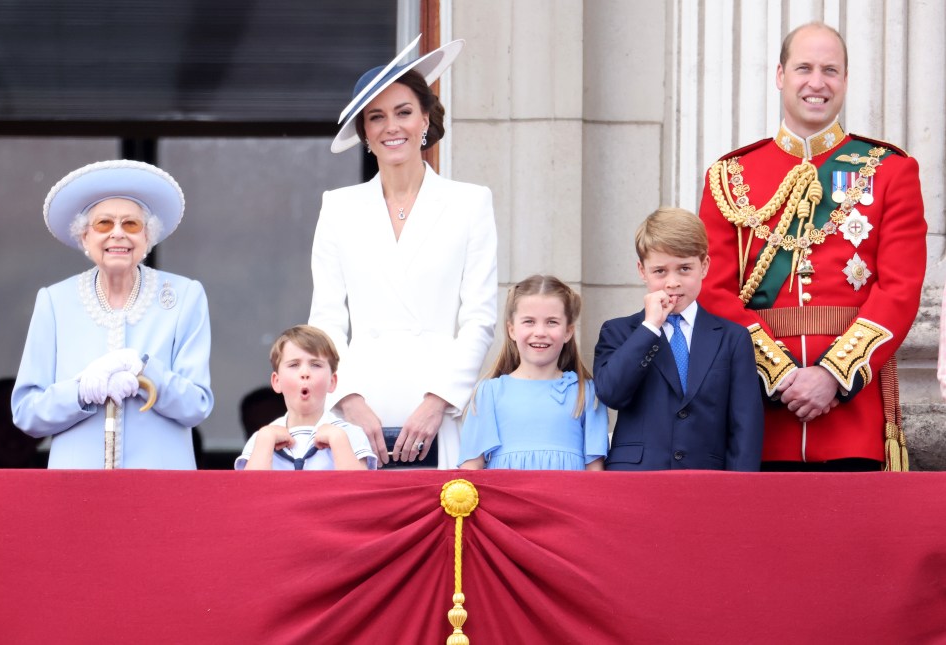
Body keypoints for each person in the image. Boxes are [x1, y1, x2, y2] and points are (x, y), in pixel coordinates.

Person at [697, 22, 926, 471]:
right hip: (759, 417)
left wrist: (832, 376)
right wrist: (779, 375)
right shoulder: (729, 176)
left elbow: (899, 290)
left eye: (830, 70)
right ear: (780, 75)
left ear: (845, 80)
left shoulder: (890, 171)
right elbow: (712, 290)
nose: (816, 82)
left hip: (852, 418)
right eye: (804, 68)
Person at [310, 35, 497, 469]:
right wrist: (349, 400)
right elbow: (326, 320)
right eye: (376, 117)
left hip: (439, 409)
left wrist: (438, 402)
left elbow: (479, 317)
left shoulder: (470, 202)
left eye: (404, 112)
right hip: (359, 412)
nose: (392, 127)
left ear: (426, 119)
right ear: (365, 133)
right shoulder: (337, 207)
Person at [11, 160, 214, 469]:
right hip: (76, 486)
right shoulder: (54, 301)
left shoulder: (185, 296)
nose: (118, 234)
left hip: (162, 483)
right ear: (84, 238)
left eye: (131, 225)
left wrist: (145, 371)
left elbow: (197, 405)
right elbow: (27, 413)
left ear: (148, 238)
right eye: (104, 224)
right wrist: (78, 392)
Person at [593, 208, 763, 471]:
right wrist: (650, 327)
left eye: (684, 268)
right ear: (642, 270)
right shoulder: (619, 332)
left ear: (704, 266)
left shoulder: (732, 338)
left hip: (706, 480)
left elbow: (745, 425)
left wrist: (738, 493)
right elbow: (611, 393)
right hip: (637, 479)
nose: (672, 282)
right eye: (660, 271)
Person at [458, 275, 608, 470]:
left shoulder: (586, 393)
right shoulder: (489, 392)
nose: (540, 331)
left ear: (568, 332)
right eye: (529, 321)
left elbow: (595, 471)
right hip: (506, 499)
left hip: (564, 499)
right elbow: (471, 469)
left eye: (552, 322)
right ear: (511, 330)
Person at [235, 325, 376, 471]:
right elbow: (252, 491)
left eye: (315, 364)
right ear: (277, 382)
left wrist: (339, 441)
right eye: (294, 365)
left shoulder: (350, 434)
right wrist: (265, 441)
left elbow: (359, 490)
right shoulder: (261, 438)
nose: (305, 373)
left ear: (332, 382)